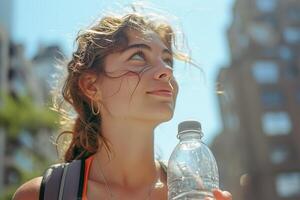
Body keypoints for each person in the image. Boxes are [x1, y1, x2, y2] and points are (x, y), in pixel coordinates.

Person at [13, 10, 232, 200]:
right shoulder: (42, 195)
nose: (167, 70)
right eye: (138, 56)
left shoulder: (193, 192)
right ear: (91, 86)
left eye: (167, 59)